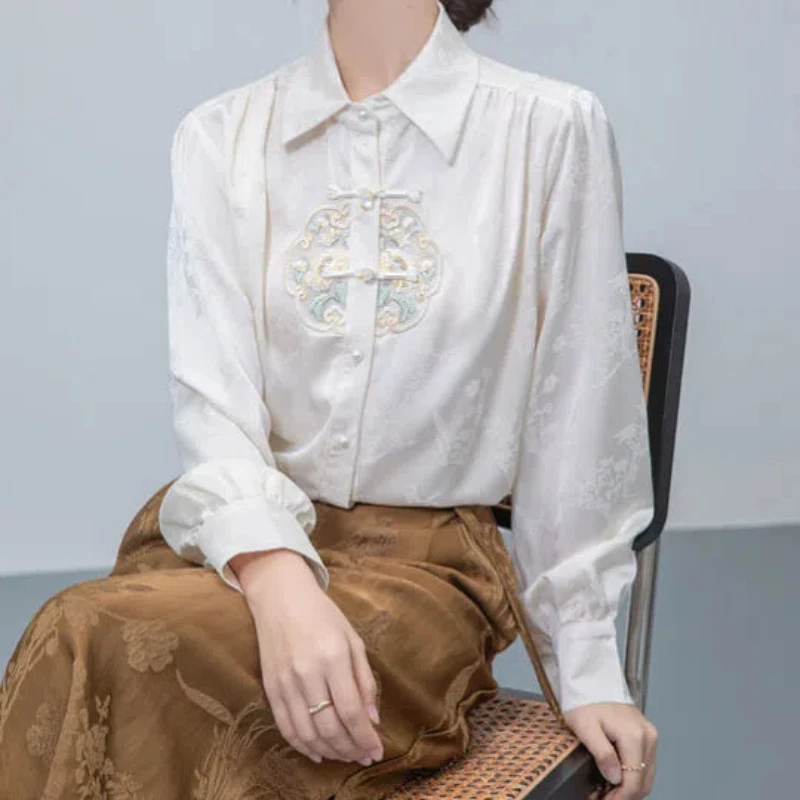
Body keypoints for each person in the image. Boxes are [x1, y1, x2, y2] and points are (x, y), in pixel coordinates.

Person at [0, 0, 659, 797]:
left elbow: (577, 420)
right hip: (237, 552)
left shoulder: (546, 129)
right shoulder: (222, 136)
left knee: (109, 646)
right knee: (88, 638)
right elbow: (214, 407)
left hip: (422, 575)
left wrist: (590, 672)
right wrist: (278, 581)